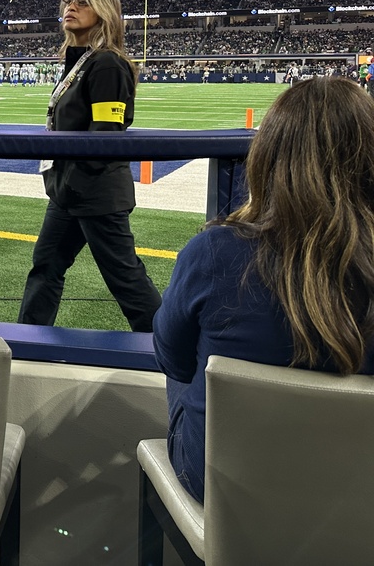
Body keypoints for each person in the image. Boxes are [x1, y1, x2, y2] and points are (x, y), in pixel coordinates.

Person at [153, 77, 374, 502]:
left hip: (225, 485)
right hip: (355, 493)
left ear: (268, 157)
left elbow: (172, 358)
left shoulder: (214, 252)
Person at [17, 0, 161, 331]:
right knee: (46, 265)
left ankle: (172, 349)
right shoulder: (80, 62)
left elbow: (105, 135)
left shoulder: (107, 64)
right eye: (69, 0)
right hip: (70, 191)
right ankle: (29, 341)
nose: (71, 6)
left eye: (83, 2)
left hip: (95, 191)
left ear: (103, 13)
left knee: (124, 277)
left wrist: (72, 184)